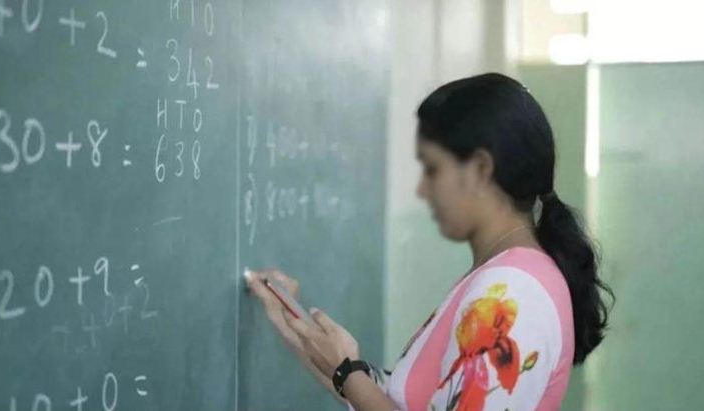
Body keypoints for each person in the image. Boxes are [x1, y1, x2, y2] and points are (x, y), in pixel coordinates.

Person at [243, 72, 614, 411]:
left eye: (433, 169)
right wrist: (299, 327)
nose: (423, 190)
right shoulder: (507, 277)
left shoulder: (513, 293)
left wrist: (346, 373)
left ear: (480, 170)